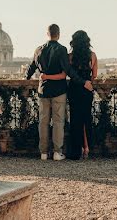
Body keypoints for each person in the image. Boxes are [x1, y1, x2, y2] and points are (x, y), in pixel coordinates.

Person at [26, 24, 92, 160]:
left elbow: (31, 67)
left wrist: (25, 78)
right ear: (59, 34)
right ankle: (57, 152)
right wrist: (83, 81)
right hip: (59, 90)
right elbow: (68, 71)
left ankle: (43, 152)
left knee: (43, 122)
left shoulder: (38, 50)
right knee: (58, 122)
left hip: (43, 90)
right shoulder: (61, 49)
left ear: (47, 34)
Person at [42, 30, 97, 159]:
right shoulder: (93, 55)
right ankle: (87, 148)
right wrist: (88, 82)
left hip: (74, 89)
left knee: (75, 120)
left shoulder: (70, 56)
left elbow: (65, 73)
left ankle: (76, 151)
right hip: (87, 89)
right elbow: (94, 75)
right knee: (86, 118)